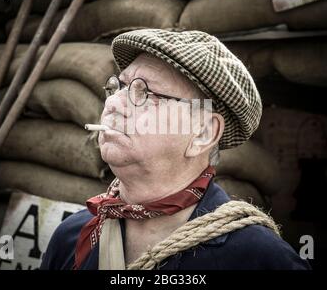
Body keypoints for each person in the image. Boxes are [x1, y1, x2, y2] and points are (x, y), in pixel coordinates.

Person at [40, 29, 311, 270]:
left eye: (144, 93)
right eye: (117, 87)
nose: (113, 104)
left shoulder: (256, 258)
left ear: (203, 133)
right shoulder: (72, 238)